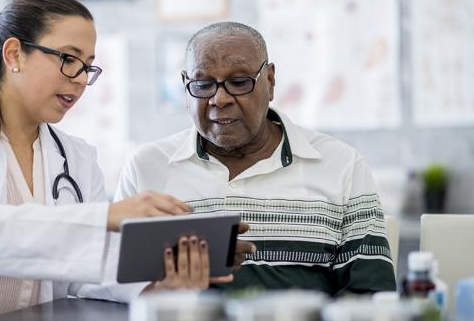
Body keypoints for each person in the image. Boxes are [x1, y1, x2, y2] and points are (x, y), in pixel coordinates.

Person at [0, 0, 232, 321]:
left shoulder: (76, 157)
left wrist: (159, 281)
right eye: (68, 59)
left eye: (87, 66)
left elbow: (84, 269)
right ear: (14, 54)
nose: (79, 78)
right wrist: (105, 217)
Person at [91, 21, 396, 301]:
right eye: (203, 84)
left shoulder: (340, 164)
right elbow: (107, 282)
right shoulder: (148, 167)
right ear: (185, 86)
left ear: (271, 81)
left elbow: (369, 294)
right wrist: (165, 286)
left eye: (239, 82)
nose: (219, 99)